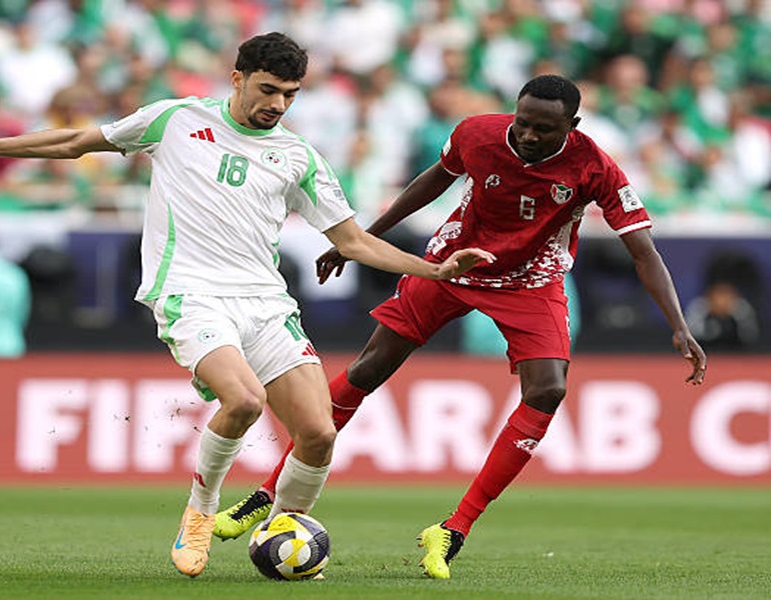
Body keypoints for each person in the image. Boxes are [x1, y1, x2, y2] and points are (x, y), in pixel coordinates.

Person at [0, 32, 493, 578]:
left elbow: (354, 241)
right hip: (190, 293)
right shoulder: (176, 119)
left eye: (290, 94)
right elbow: (75, 142)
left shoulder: (298, 157)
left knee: (318, 432)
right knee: (244, 400)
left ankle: (282, 527)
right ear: (238, 79)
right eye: (268, 89)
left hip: (264, 301)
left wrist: (435, 269)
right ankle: (200, 510)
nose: (277, 104)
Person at [212, 74, 708, 579]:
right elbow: (431, 182)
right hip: (451, 265)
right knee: (368, 368)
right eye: (523, 122)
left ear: (572, 126)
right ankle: (267, 493)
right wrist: (359, 240)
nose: (528, 135)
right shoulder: (477, 133)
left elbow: (643, 251)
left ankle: (453, 527)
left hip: (530, 281)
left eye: (543, 129)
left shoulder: (595, 167)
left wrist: (678, 325)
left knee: (549, 389)